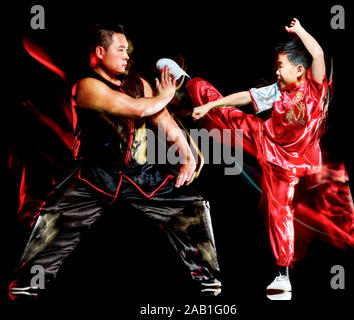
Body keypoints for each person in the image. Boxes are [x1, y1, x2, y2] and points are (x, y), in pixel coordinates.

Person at [9, 22, 221, 300]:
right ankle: (27, 284)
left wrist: (187, 155)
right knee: (54, 223)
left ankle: (208, 281)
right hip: (92, 175)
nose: (126, 56)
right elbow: (136, 109)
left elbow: (163, 119)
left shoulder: (138, 83)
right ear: (99, 52)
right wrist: (165, 95)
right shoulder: (86, 87)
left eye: (128, 50)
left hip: (138, 174)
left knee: (191, 208)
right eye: (120, 50)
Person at [187, 18, 328, 294]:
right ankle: (190, 84)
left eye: (280, 67)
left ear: (300, 70)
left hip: (292, 163)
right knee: (226, 114)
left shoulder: (315, 89)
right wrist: (212, 104)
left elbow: (319, 54)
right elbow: (244, 97)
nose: (276, 72)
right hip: (264, 138)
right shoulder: (277, 91)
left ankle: (282, 276)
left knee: (280, 214)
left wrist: (300, 31)